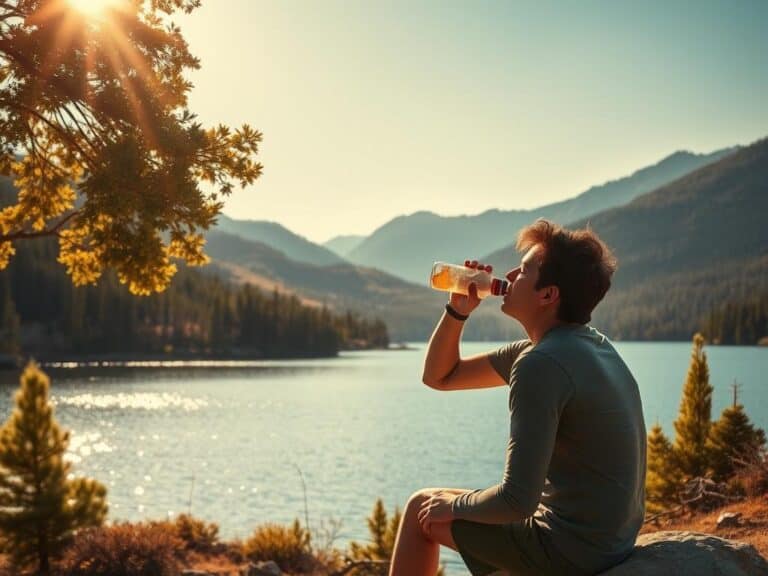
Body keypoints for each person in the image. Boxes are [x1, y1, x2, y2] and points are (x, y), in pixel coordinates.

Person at [389, 219, 647, 576]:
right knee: (445, 506)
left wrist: (455, 506)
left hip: (572, 554)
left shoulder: (540, 363)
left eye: (524, 270)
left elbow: (516, 501)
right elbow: (440, 376)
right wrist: (457, 311)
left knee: (423, 509)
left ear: (547, 295)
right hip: (610, 543)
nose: (510, 274)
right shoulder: (586, 344)